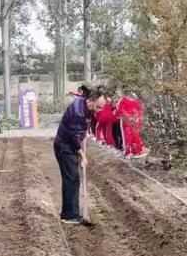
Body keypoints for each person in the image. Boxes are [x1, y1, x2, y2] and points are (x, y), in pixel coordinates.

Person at [54, 89, 106, 224]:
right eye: (98, 107)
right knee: (72, 179)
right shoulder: (78, 112)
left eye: (102, 107)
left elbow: (80, 133)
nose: (99, 110)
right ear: (91, 101)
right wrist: (83, 156)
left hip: (69, 145)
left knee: (71, 179)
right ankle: (70, 215)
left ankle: (68, 213)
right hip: (64, 147)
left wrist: (84, 135)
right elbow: (74, 138)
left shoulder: (85, 105)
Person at [117, 89, 146, 158]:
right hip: (129, 121)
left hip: (132, 121)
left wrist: (137, 118)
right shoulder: (124, 100)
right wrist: (130, 116)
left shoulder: (135, 100)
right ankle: (130, 152)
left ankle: (134, 151)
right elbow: (119, 108)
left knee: (133, 136)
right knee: (129, 136)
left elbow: (141, 109)